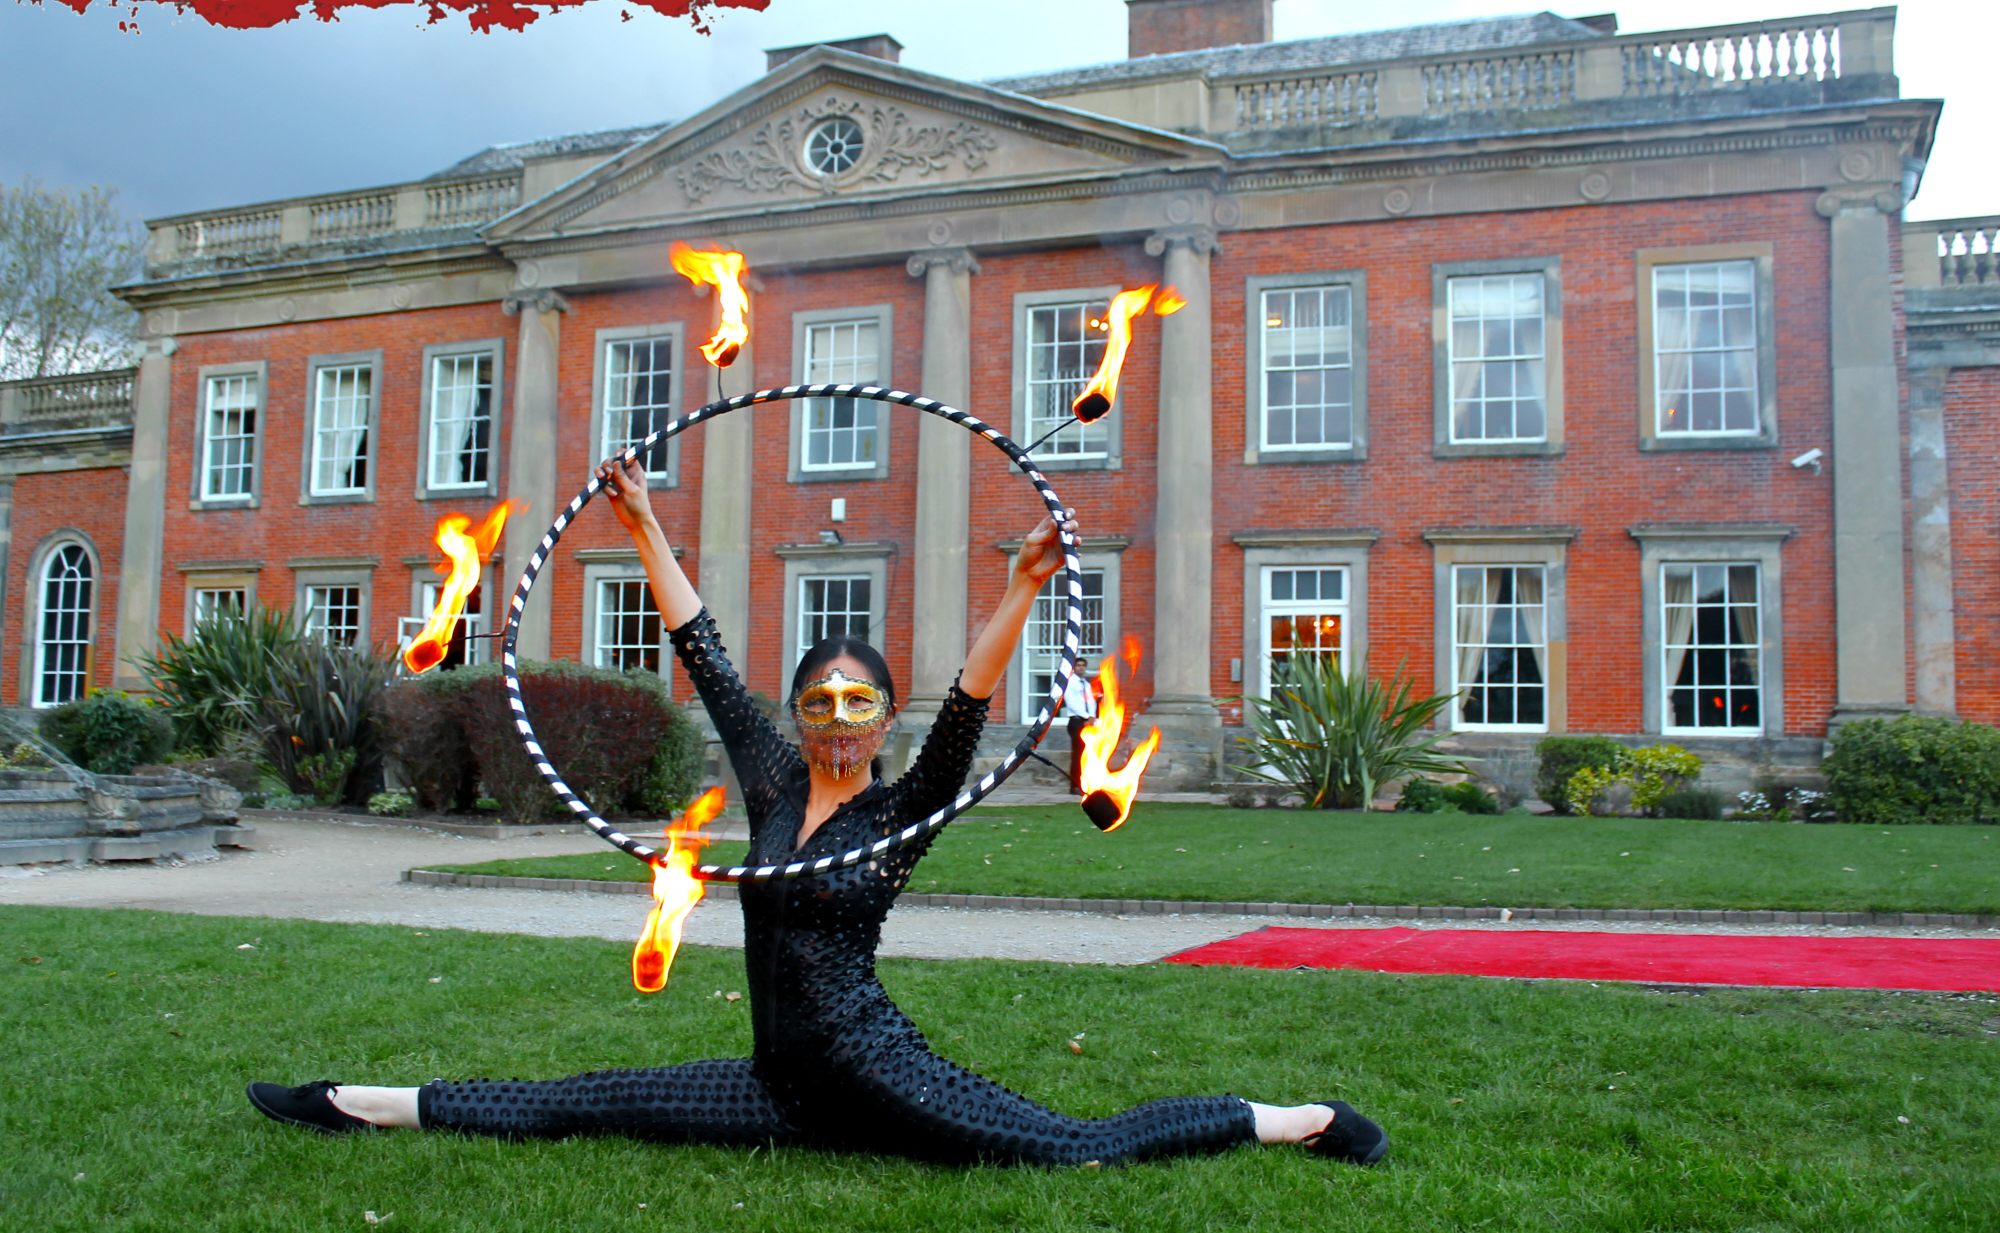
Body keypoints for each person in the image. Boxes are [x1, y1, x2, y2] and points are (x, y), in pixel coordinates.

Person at [248, 454, 1386, 1166]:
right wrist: (642, 525)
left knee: (1072, 1149)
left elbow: (968, 702)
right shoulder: (773, 780)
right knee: (581, 1102)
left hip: (874, 1068)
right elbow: (703, 650)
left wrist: (1020, 587)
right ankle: (357, 1102)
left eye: (859, 702)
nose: (838, 718)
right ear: (794, 716)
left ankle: (1293, 1117)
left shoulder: (904, 809)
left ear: (883, 720)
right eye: (818, 701)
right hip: (778, 1083)